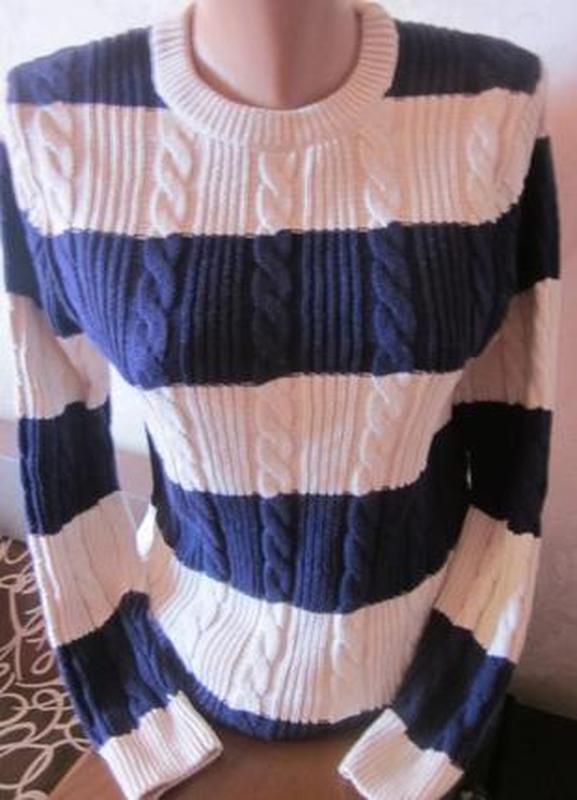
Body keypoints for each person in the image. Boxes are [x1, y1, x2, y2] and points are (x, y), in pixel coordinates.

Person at [0, 1, 561, 798]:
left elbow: (513, 451)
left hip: (414, 654)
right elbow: (61, 470)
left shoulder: (492, 99)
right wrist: (133, 716)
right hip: (185, 647)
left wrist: (440, 721)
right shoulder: (54, 116)